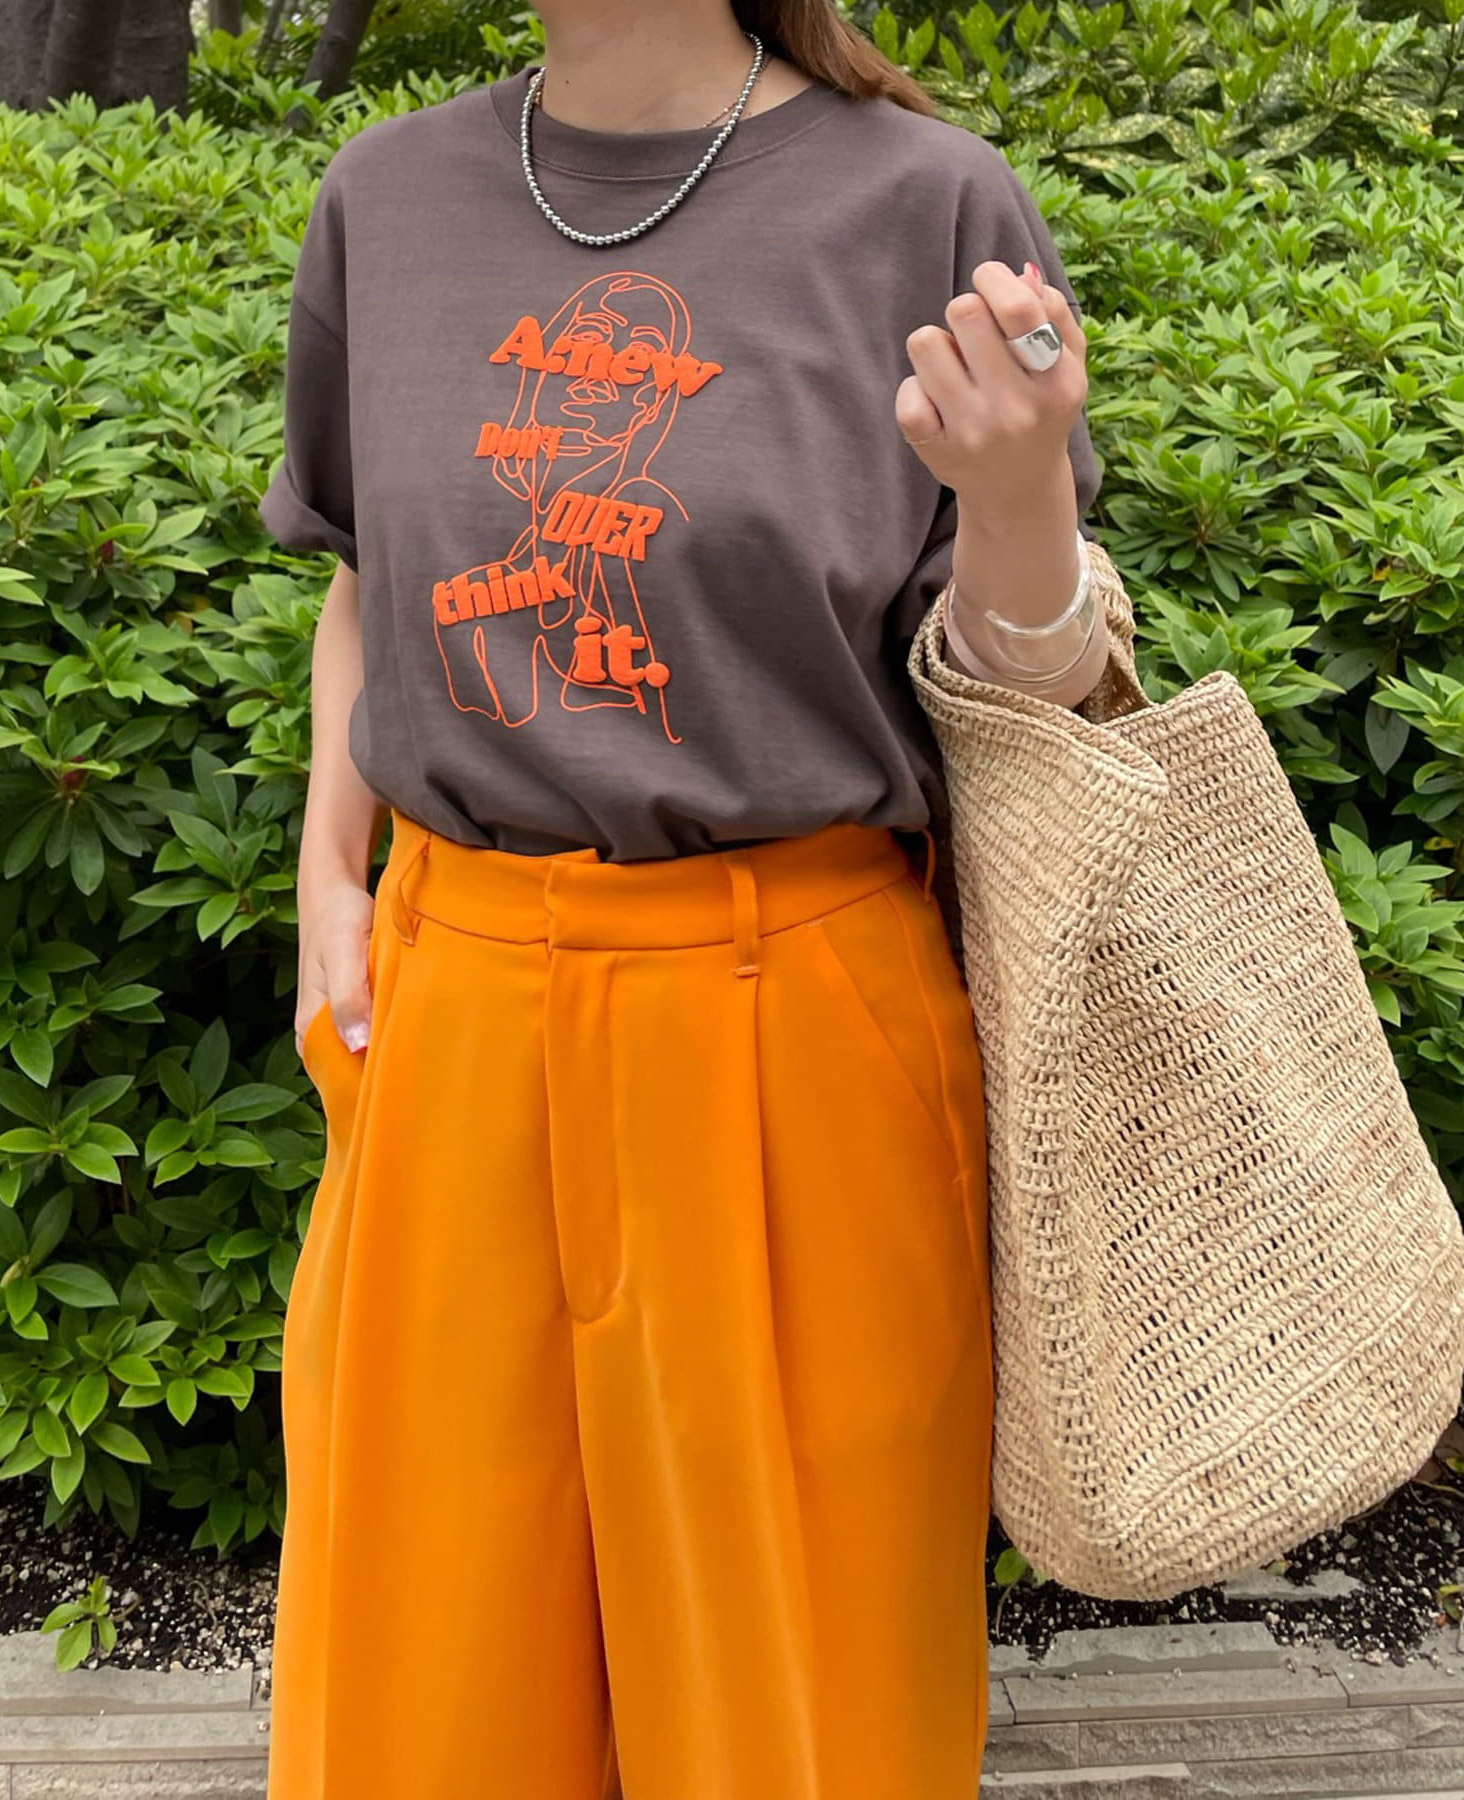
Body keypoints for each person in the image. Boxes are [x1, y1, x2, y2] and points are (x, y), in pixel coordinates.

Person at [256, 3, 1109, 1795]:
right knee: (424, 1694)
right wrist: (331, 869)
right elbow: (365, 580)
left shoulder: (924, 205)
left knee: (797, 1712)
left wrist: (1022, 491)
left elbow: (1030, 701)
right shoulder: (384, 198)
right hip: (450, 1019)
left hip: (796, 1026)